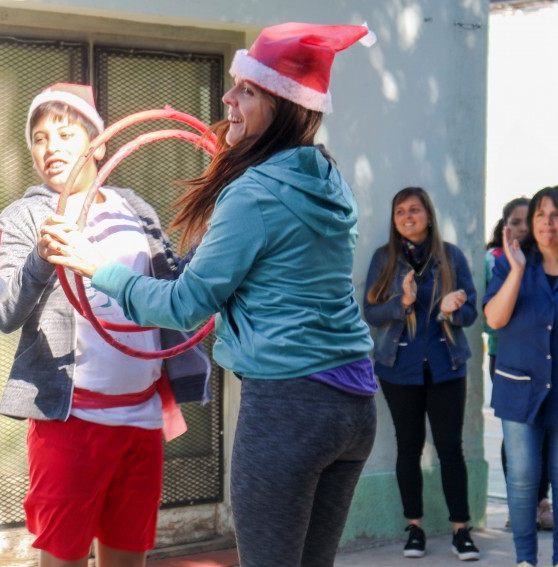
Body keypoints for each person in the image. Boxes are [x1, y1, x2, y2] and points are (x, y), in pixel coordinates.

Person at [42, 22, 378, 567]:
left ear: (286, 105)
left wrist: (95, 264)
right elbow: (266, 275)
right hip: (354, 407)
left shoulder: (254, 192)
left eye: (246, 89)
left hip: (289, 408)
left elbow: (183, 306)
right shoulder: (327, 178)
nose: (227, 98)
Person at [0, 83, 210, 567]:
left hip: (142, 417)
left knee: (128, 557)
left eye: (65, 134)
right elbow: (3, 312)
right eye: (39, 139)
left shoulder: (135, 208)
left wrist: (217, 243)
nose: (50, 148)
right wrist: (42, 258)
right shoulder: (23, 217)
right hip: (70, 422)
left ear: (99, 145)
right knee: (62, 558)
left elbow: (171, 288)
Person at [363, 187, 480, 561]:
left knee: (450, 448)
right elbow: (372, 313)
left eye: (415, 210)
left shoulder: (452, 257)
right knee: (409, 448)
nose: (407, 216)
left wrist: (449, 310)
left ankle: (462, 530)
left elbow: (471, 310)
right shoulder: (384, 259)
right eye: (400, 211)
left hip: (447, 368)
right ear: (394, 220)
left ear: (428, 215)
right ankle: (414, 527)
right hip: (399, 370)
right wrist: (404, 303)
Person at [484, 185, 558, 567]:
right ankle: (525, 560)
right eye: (540, 215)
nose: (546, 223)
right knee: (521, 480)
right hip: (520, 389)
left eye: (556, 215)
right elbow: (495, 319)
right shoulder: (510, 263)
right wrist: (517, 271)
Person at [486, 198, 554, 531]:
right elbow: (491, 318)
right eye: (515, 221)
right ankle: (521, 507)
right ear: (505, 226)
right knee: (517, 434)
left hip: (545, 361)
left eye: (529, 220)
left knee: (547, 434)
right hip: (505, 358)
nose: (523, 227)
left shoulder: (549, 266)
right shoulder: (498, 262)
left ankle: (541, 502)